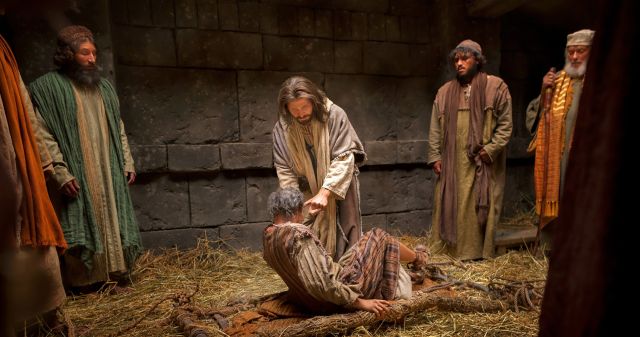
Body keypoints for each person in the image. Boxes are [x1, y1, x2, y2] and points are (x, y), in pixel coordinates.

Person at [28, 25, 141, 288]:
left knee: (112, 217)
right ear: (68, 55)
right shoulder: (46, 89)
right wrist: (59, 171)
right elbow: (40, 134)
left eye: (94, 54)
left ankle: (115, 273)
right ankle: (87, 282)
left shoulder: (104, 89)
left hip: (107, 169)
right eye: (84, 53)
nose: (92, 59)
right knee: (80, 218)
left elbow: (118, 127)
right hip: (76, 173)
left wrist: (126, 161)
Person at [263, 187, 428, 316]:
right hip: (340, 294)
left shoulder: (270, 236)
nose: (302, 216)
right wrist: (361, 303)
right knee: (380, 236)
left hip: (313, 297)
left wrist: (311, 217)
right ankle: (418, 259)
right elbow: (321, 285)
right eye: (301, 212)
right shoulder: (299, 237)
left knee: (363, 242)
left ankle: (416, 259)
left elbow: (291, 243)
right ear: (295, 212)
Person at [1, 32, 69, 333]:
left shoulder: (2, 51)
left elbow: (25, 111)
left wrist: (45, 163)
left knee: (30, 233)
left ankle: (49, 319)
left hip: (15, 163)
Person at [427, 39, 513, 260]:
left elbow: (505, 125)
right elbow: (435, 128)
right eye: (456, 59)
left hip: (482, 161)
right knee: (449, 202)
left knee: (478, 205)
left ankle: (475, 253)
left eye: (465, 58)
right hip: (452, 162)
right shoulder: (445, 92)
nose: (459, 63)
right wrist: (435, 155)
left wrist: (490, 149)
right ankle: (448, 253)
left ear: (477, 60)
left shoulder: (496, 87)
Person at [272, 76, 366, 260]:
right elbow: (284, 169)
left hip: (339, 183)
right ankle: (320, 273)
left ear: (313, 101)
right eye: (294, 110)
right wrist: (293, 204)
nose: (300, 114)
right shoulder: (282, 129)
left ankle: (348, 273)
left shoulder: (334, 115)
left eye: (304, 107)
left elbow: (344, 157)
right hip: (306, 188)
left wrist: (325, 192)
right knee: (307, 231)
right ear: (286, 109)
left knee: (347, 228)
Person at [525, 29, 595, 238]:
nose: (574, 57)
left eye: (580, 51)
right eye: (571, 52)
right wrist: (544, 89)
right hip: (559, 159)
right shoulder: (559, 82)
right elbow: (535, 118)